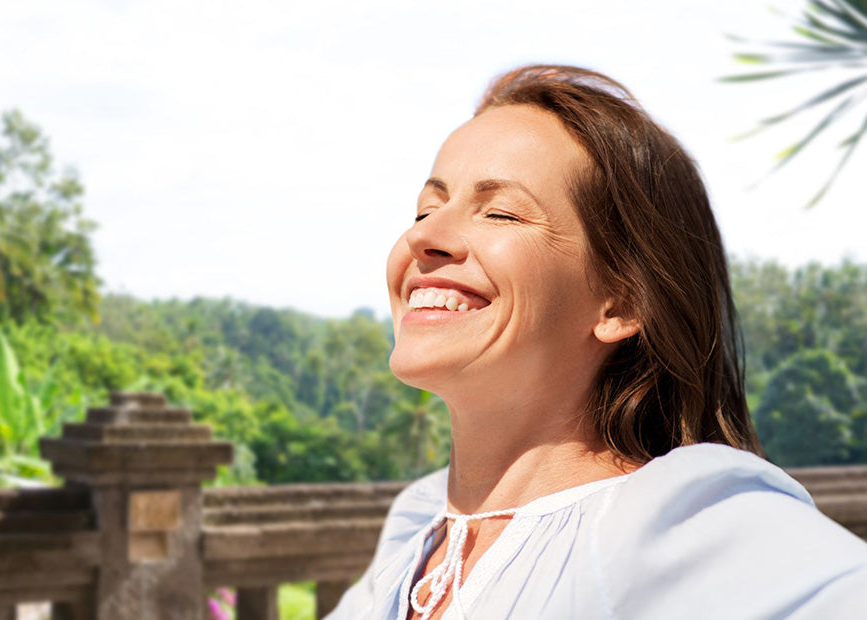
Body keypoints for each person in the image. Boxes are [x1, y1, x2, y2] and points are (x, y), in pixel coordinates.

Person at [326, 65, 867, 620]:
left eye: (501, 212)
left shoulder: (671, 522)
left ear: (622, 302)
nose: (422, 236)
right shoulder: (415, 529)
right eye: (426, 208)